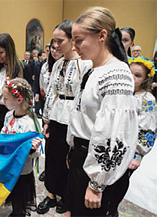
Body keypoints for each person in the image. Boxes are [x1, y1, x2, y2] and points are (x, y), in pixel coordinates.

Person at [66, 7, 138, 216]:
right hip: (81, 156)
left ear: (102, 36)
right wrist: (73, 147)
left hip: (95, 163)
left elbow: (114, 133)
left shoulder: (117, 74)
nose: (74, 46)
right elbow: (81, 114)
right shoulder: (93, 69)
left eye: (78, 40)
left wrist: (97, 183)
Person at [37, 20, 92, 215]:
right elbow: (51, 92)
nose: (56, 45)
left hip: (73, 119)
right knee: (52, 157)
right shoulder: (58, 63)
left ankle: (67, 198)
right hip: (56, 115)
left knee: (69, 161)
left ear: (72, 39)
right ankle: (51, 194)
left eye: (60, 41)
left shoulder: (85, 64)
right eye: (54, 41)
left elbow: (84, 98)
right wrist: (46, 120)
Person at [0, 77, 42, 216]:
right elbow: (3, 135)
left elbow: (36, 153)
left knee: (20, 199)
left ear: (19, 100)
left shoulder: (29, 124)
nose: (2, 101)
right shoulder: (8, 115)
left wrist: (33, 149)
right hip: (9, 166)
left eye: (6, 98)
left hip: (22, 170)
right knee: (11, 193)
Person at [0, 33, 32, 133]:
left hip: (14, 112)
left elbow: (28, 95)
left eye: (1, 53)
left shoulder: (23, 68)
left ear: (9, 51)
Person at [36, 38, 63, 182]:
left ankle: (57, 172)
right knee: (47, 141)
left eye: (57, 48)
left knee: (58, 146)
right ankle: (48, 169)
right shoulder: (45, 66)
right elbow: (41, 87)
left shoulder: (66, 67)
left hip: (61, 109)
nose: (54, 51)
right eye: (52, 48)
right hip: (48, 106)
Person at [128, 56, 156, 171]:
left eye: (138, 76)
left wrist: (138, 155)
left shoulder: (147, 100)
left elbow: (148, 129)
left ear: (145, 79)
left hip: (130, 152)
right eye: (129, 73)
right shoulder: (122, 93)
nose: (132, 77)